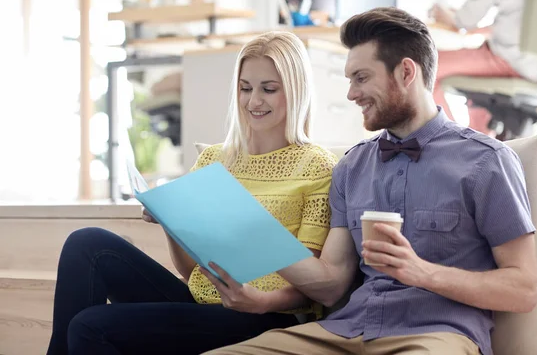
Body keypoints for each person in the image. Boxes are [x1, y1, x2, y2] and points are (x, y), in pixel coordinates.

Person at [203, 7, 537, 355]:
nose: (351, 94)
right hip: (346, 331)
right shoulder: (352, 166)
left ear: (406, 71)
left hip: (435, 336)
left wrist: (421, 272)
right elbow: (331, 285)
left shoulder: (486, 161)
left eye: (361, 78)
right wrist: (250, 228)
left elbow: (523, 288)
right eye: (350, 80)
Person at [46, 31, 338, 355]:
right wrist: (171, 222)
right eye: (245, 88)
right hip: (201, 301)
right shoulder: (215, 158)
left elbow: (310, 283)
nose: (254, 101)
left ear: (295, 91)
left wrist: (261, 302)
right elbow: (190, 271)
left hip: (264, 314)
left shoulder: (316, 167)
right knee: (87, 243)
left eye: (268, 89)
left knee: (89, 326)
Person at [429, 0, 537, 136]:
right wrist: (478, 29)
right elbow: (523, 15)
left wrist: (447, 15)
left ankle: (453, 146)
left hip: (512, 60)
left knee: (424, 68)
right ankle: (478, 149)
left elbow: (467, 19)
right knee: (477, 93)